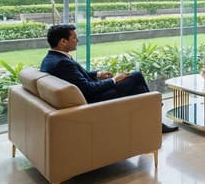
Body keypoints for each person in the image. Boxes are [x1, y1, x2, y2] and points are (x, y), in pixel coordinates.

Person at [40, 24, 178, 133]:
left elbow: (77, 78)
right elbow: (88, 89)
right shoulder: (63, 63)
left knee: (138, 88)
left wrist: (98, 74)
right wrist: (114, 80)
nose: (78, 40)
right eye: (74, 38)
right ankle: (154, 110)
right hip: (95, 102)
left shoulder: (51, 59)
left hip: (87, 98)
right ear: (63, 42)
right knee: (135, 76)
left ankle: (152, 117)